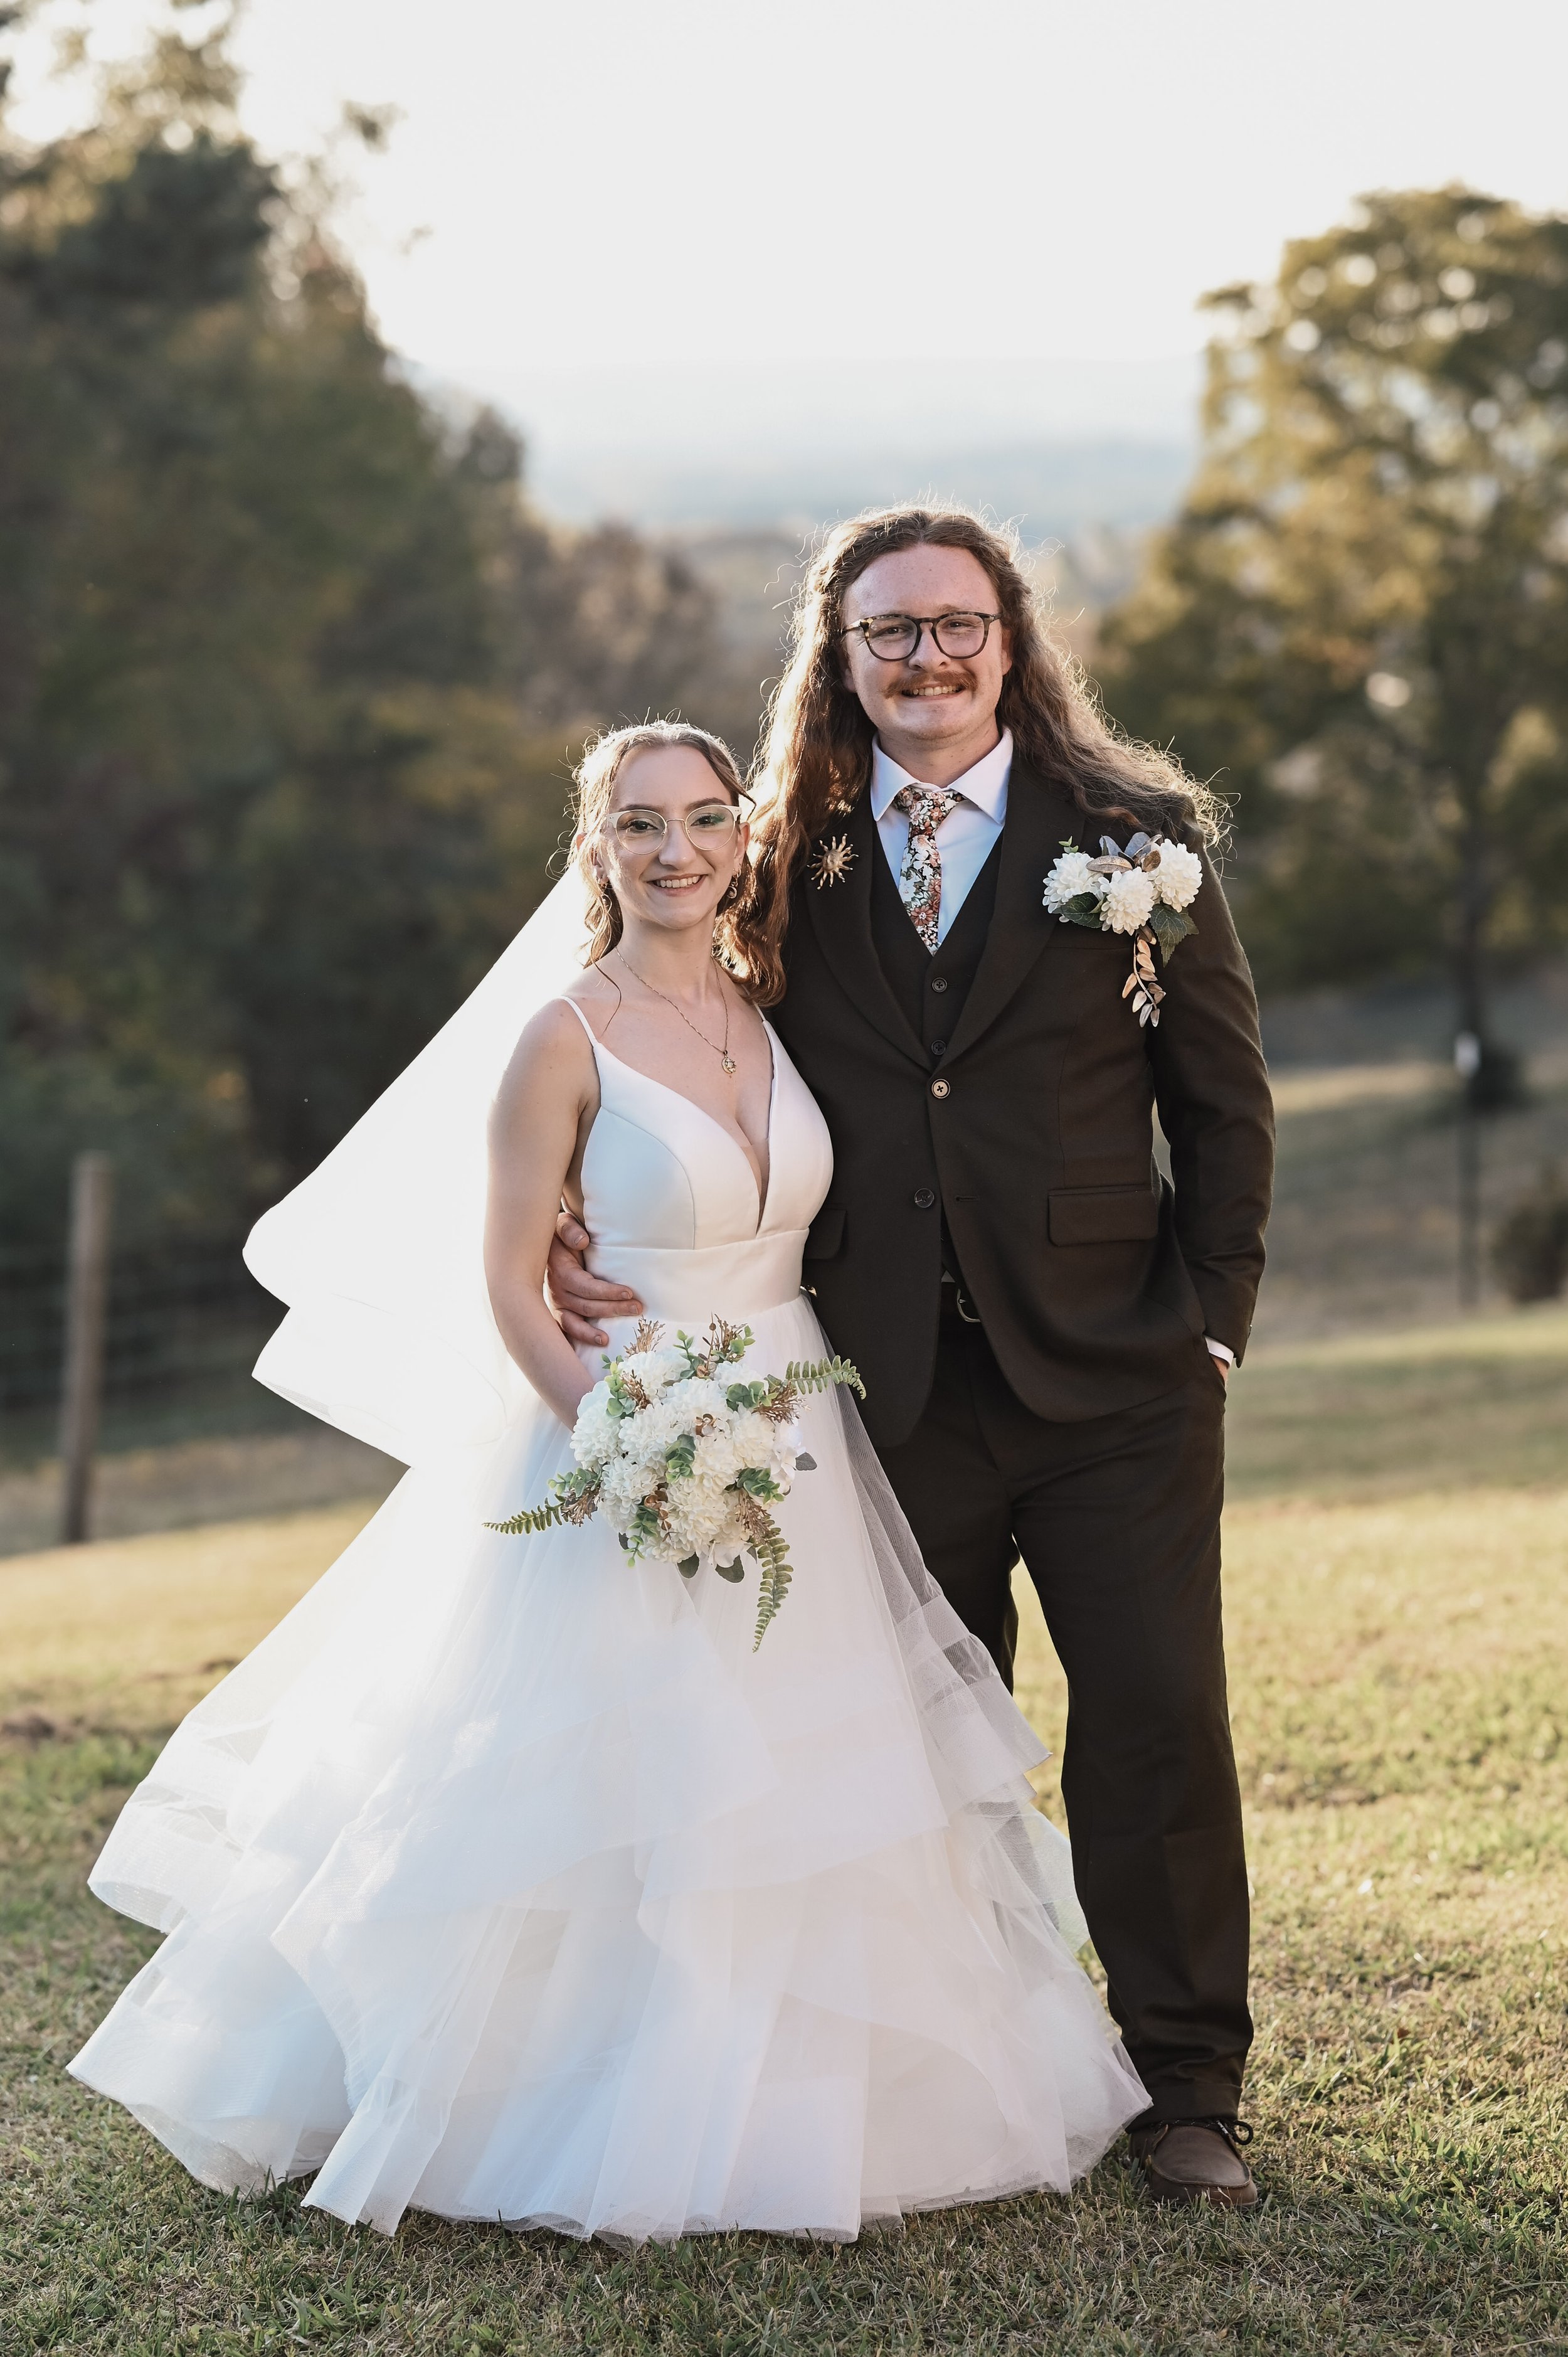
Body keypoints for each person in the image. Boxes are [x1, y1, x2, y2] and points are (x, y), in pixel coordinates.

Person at [68, 720, 1146, 2243]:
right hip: (621, 1446)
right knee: (613, 1797)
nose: (674, 849)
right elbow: (514, 1281)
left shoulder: (778, 1011)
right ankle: (571, 2110)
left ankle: (792, 2108)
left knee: (799, 1790)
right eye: (638, 823)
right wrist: (617, 1438)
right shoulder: (558, 1037)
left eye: (704, 819)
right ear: (597, 847)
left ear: (739, 840)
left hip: (795, 1442)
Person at [549, 511, 1276, 2209]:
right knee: (916, 1741)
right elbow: (680, 1034)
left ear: (1009, 641)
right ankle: (981, 2071)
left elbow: (1224, 1110)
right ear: (841, 651)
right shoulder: (776, 857)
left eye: (957, 625)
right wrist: (602, 1208)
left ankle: (1186, 2089)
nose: (926, 658)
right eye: (889, 632)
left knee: (1159, 1724)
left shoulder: (1137, 843)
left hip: (1117, 1381)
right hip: (873, 1387)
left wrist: (1216, 1324)